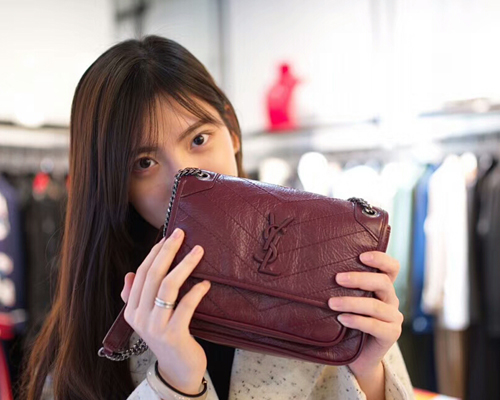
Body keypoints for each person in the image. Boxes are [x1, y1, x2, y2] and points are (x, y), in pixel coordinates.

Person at [20, 35, 414, 400]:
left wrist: (368, 372)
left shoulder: (330, 257)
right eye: (144, 162)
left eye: (198, 139)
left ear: (233, 132)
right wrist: (174, 382)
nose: (184, 176)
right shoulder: (93, 324)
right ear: (113, 184)